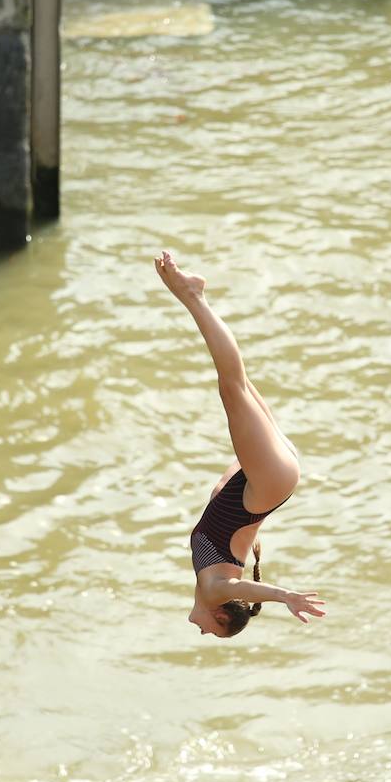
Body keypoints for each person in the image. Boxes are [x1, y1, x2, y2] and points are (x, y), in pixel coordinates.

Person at [155, 251, 327, 638]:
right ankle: (192, 295)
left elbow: (222, 501)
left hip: (265, 475)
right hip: (267, 478)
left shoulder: (211, 572)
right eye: (212, 633)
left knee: (238, 383)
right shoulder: (216, 590)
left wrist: (246, 454)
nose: (202, 632)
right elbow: (243, 590)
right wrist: (286, 596)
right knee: (231, 383)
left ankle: (192, 295)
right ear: (222, 616)